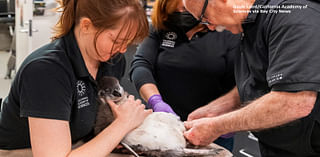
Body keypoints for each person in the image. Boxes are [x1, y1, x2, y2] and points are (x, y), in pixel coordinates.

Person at [0, 0, 152, 156]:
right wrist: (123, 124)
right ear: (86, 25)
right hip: (24, 151)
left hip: (78, 143)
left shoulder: (113, 59)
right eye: (117, 41)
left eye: (128, 42)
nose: (123, 49)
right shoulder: (46, 71)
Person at [182, 0, 320, 156]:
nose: (211, 27)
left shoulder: (292, 15)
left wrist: (216, 126)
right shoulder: (251, 23)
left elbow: (293, 102)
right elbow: (258, 81)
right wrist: (217, 108)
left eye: (205, 17)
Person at [129, 0, 240, 152]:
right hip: (161, 127)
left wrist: (226, 119)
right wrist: (155, 101)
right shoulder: (161, 28)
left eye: (185, 10)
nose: (181, 14)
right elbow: (141, 65)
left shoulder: (227, 32)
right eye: (175, 12)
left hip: (210, 131)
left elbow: (240, 83)